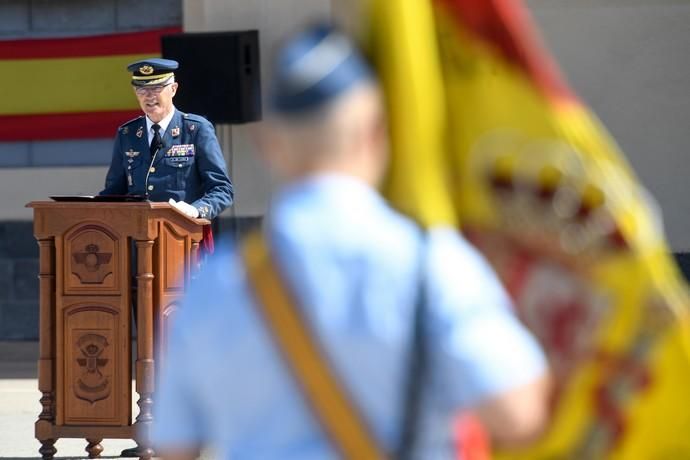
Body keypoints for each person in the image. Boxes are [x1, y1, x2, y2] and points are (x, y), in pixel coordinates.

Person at [151, 24, 550, 459]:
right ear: (377, 131)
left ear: (267, 144)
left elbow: (174, 446)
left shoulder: (213, 283)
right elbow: (516, 412)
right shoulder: (431, 263)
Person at [100, 58, 233, 220]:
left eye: (156, 88)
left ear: (173, 89)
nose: (149, 96)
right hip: (136, 236)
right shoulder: (127, 133)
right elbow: (114, 192)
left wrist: (195, 210)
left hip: (182, 233)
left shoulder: (195, 129)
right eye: (141, 89)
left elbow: (222, 190)